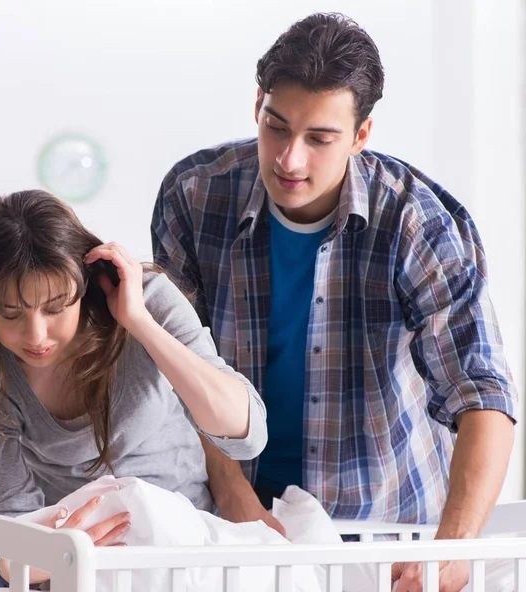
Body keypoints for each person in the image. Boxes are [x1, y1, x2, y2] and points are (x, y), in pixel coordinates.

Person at [151, 11, 518, 591]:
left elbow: (482, 394)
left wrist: (453, 547)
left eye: (320, 138)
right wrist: (233, 496)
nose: (289, 159)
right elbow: (179, 370)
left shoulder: (418, 222)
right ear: (257, 106)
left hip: (387, 530)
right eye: (276, 126)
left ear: (361, 135)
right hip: (235, 523)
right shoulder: (194, 196)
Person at [0, 189, 267, 587]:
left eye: (56, 307)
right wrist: (28, 564)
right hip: (77, 562)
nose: (36, 335)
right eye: (10, 314)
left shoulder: (148, 301)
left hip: (186, 546)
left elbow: (246, 436)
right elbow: (13, 516)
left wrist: (139, 322)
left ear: (84, 282)